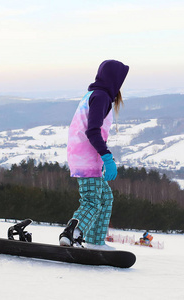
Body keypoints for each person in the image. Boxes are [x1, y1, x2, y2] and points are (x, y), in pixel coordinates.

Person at [59, 60, 129, 250]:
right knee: (92, 201)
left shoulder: (93, 95)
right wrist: (107, 156)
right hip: (86, 159)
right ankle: (71, 233)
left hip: (84, 156)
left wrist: (102, 157)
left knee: (105, 197)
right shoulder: (101, 97)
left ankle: (95, 242)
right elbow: (92, 131)